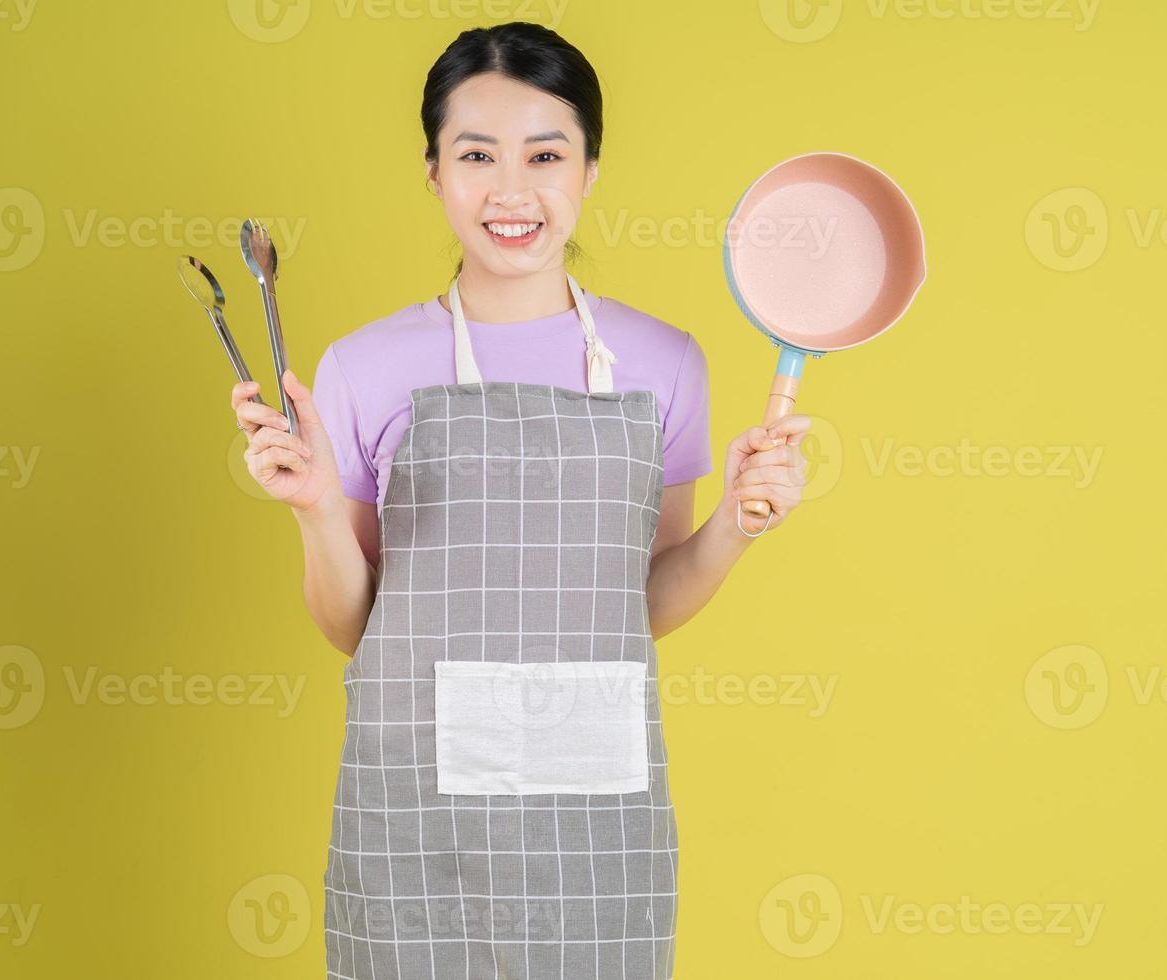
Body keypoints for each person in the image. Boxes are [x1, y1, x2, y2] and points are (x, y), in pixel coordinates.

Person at [230, 22, 809, 980]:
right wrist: (315, 512)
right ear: (433, 171)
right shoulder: (363, 367)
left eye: (546, 154)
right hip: (415, 811)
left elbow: (646, 602)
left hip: (594, 816)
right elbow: (352, 626)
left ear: (589, 169)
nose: (512, 190)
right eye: (476, 155)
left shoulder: (664, 365)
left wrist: (735, 531)